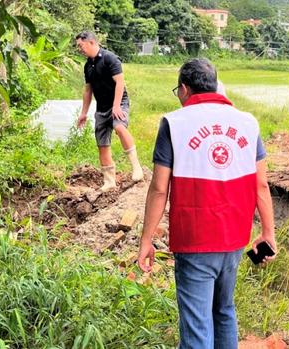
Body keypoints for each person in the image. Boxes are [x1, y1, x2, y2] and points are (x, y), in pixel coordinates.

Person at [136, 58, 276, 349]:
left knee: (197, 324)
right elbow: (261, 185)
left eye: (178, 90)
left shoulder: (174, 123)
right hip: (235, 239)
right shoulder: (248, 122)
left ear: (184, 89)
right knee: (224, 311)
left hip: (196, 240)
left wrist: (146, 239)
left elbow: (159, 189)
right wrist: (268, 233)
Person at [75, 30, 144, 192]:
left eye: (81, 45)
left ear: (91, 42)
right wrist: (84, 113)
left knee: (119, 127)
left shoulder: (109, 58)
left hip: (119, 102)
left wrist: (116, 106)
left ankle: (137, 168)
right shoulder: (88, 65)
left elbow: (120, 82)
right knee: (102, 143)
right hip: (102, 107)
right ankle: (109, 181)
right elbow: (87, 90)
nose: (79, 49)